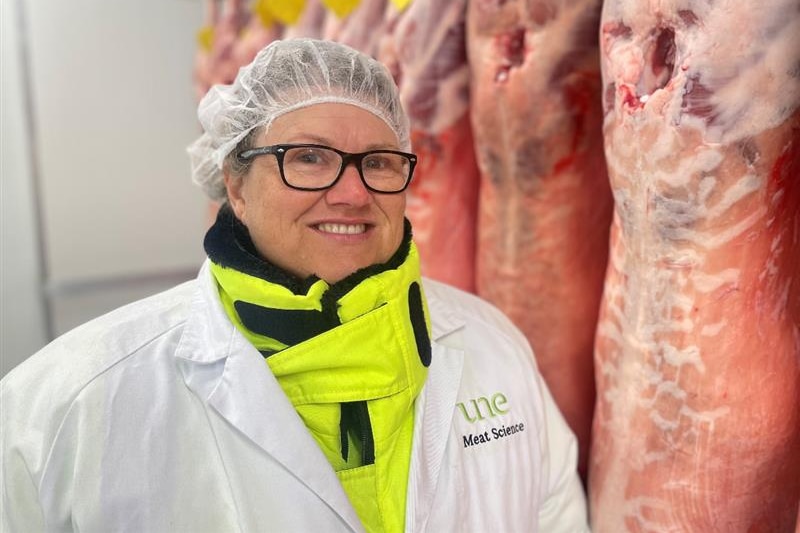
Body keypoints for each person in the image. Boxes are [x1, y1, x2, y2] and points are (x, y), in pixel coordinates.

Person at [1, 38, 589, 532]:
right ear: (235, 186)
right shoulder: (61, 410)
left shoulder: (493, 347)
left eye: (380, 161)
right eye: (307, 157)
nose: (353, 193)